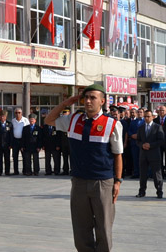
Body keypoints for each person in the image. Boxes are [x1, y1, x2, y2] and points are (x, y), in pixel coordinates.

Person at [45, 84, 123, 252]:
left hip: (103, 182)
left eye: (92, 98)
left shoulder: (112, 124)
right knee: (81, 228)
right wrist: (66, 102)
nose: (88, 101)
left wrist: (117, 181)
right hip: (79, 181)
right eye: (85, 98)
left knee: (103, 228)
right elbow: (48, 120)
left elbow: (118, 155)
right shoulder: (73, 120)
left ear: (102, 101)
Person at [136, 109, 165, 198]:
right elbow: (138, 140)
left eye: (148, 116)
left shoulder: (157, 127)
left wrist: (150, 145)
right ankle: (142, 191)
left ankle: (159, 191)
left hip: (154, 154)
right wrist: (142, 145)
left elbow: (161, 140)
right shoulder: (141, 128)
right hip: (143, 154)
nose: (146, 118)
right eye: (145, 116)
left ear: (152, 117)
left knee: (157, 174)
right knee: (143, 174)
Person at [154, 106, 166, 180]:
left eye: (163, 110)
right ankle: (160, 174)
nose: (161, 112)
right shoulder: (155, 120)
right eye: (160, 110)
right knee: (159, 159)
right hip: (158, 143)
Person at [0, 110, 13, 176]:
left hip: (7, 144)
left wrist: (10, 144)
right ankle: (0, 171)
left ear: (6, 117)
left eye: (3, 116)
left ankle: (7, 171)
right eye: (1, 116)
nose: (2, 117)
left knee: (7, 158)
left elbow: (11, 135)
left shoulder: (9, 124)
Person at [11, 108, 29, 175]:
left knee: (24, 156)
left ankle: (25, 170)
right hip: (15, 140)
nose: (17, 114)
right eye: (16, 113)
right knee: (15, 156)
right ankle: (16, 171)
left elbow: (28, 131)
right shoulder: (13, 121)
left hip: (23, 140)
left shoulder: (25, 120)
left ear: (21, 113)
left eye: (19, 112)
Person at [128, 108, 144, 178]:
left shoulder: (145, 122)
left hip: (142, 143)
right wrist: (132, 135)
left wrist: (140, 136)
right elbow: (129, 131)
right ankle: (136, 173)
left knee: (143, 159)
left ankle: (143, 173)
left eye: (141, 112)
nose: (140, 113)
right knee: (135, 159)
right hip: (134, 143)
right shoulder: (133, 122)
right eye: (138, 112)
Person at [58, 109, 71, 175]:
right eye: (64, 113)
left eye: (66, 112)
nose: (65, 114)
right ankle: (65, 170)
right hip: (64, 142)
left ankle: (72, 170)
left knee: (71, 158)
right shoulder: (61, 122)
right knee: (65, 157)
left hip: (70, 142)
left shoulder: (71, 121)